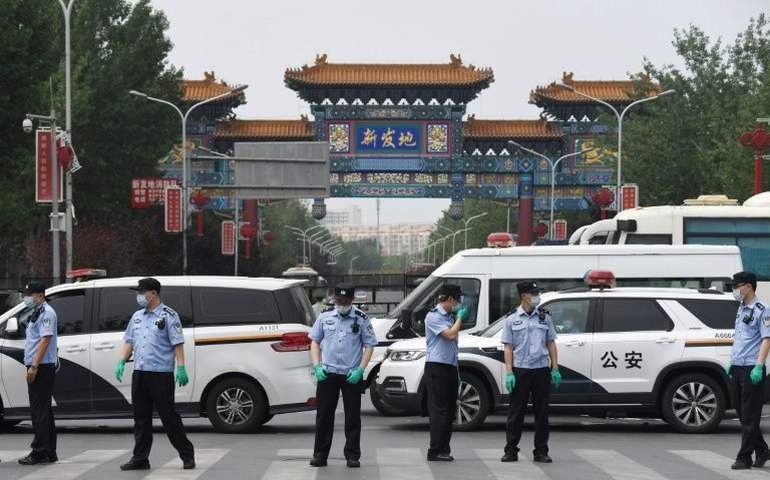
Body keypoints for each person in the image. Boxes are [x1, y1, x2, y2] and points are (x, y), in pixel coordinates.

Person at [115, 278, 195, 471]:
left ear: (153, 293)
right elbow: (129, 341)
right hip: (140, 373)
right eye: (138, 292)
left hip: (160, 375)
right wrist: (121, 361)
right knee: (141, 418)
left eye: (141, 292)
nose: (139, 296)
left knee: (168, 417)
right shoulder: (137, 316)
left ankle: (187, 454)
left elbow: (177, 343)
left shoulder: (169, 315)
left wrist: (181, 367)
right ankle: (140, 458)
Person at [309, 283, 377, 468]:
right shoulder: (325, 316)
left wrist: (361, 370)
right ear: (334, 299)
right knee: (324, 416)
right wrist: (317, 366)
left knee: (352, 416)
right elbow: (314, 342)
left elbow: (369, 345)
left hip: (351, 374)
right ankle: (320, 455)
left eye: (345, 301)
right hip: (327, 373)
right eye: (339, 301)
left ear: (352, 300)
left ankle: (352, 455)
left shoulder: (361, 319)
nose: (341, 304)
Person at [500, 281, 560, 464]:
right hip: (521, 370)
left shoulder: (544, 317)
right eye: (533, 294)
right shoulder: (511, 319)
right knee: (516, 412)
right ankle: (511, 450)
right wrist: (509, 372)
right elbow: (508, 347)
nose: (537, 297)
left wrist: (555, 367)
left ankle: (541, 451)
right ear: (523, 296)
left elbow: (551, 343)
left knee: (542, 413)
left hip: (541, 370)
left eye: (537, 293)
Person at [726, 271, 770, 470]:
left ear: (748, 286)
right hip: (738, 367)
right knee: (743, 415)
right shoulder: (741, 308)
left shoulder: (762, 309)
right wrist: (732, 361)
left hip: (752, 368)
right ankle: (762, 451)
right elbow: (740, 338)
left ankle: (744, 458)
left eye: (737, 286)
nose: (734, 290)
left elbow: (766, 339)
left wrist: (759, 366)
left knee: (750, 415)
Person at [424, 284, 468, 462]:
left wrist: (456, 370)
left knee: (450, 410)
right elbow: (450, 335)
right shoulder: (433, 316)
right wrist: (459, 318)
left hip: (449, 366)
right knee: (439, 410)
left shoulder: (449, 317)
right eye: (458, 300)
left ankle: (444, 449)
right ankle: (434, 450)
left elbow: (453, 347)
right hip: (436, 367)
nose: (459, 304)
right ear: (450, 299)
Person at [17, 282, 58, 466]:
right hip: (40, 365)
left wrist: (34, 366)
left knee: (39, 410)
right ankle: (49, 451)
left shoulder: (47, 313)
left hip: (41, 366)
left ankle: (39, 451)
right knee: (44, 410)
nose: (26, 298)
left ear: (40, 295)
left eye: (29, 294)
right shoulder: (37, 312)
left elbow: (45, 340)